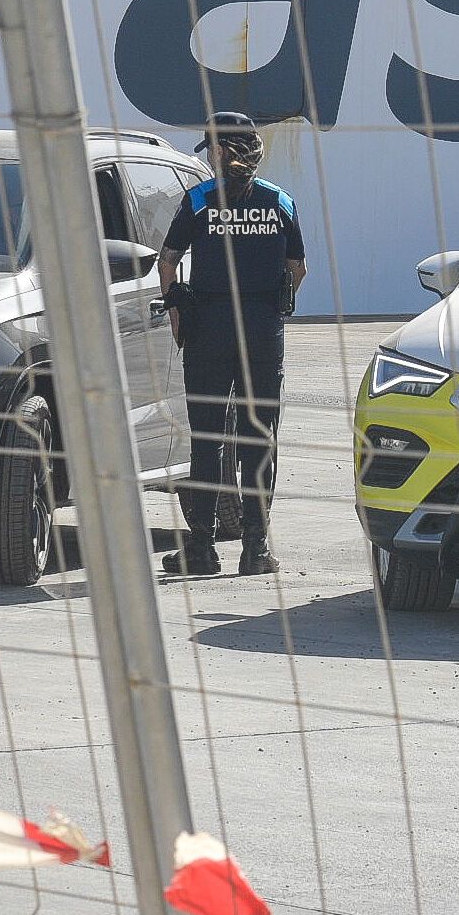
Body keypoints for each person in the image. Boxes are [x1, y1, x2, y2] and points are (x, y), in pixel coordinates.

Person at [157, 111, 307, 577]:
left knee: (207, 440)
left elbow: (167, 261)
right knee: (259, 438)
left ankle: (201, 551)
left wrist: (177, 305)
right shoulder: (279, 201)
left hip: (209, 329)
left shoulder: (200, 199)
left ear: (221, 151)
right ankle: (255, 550)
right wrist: (275, 304)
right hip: (262, 330)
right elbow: (298, 267)